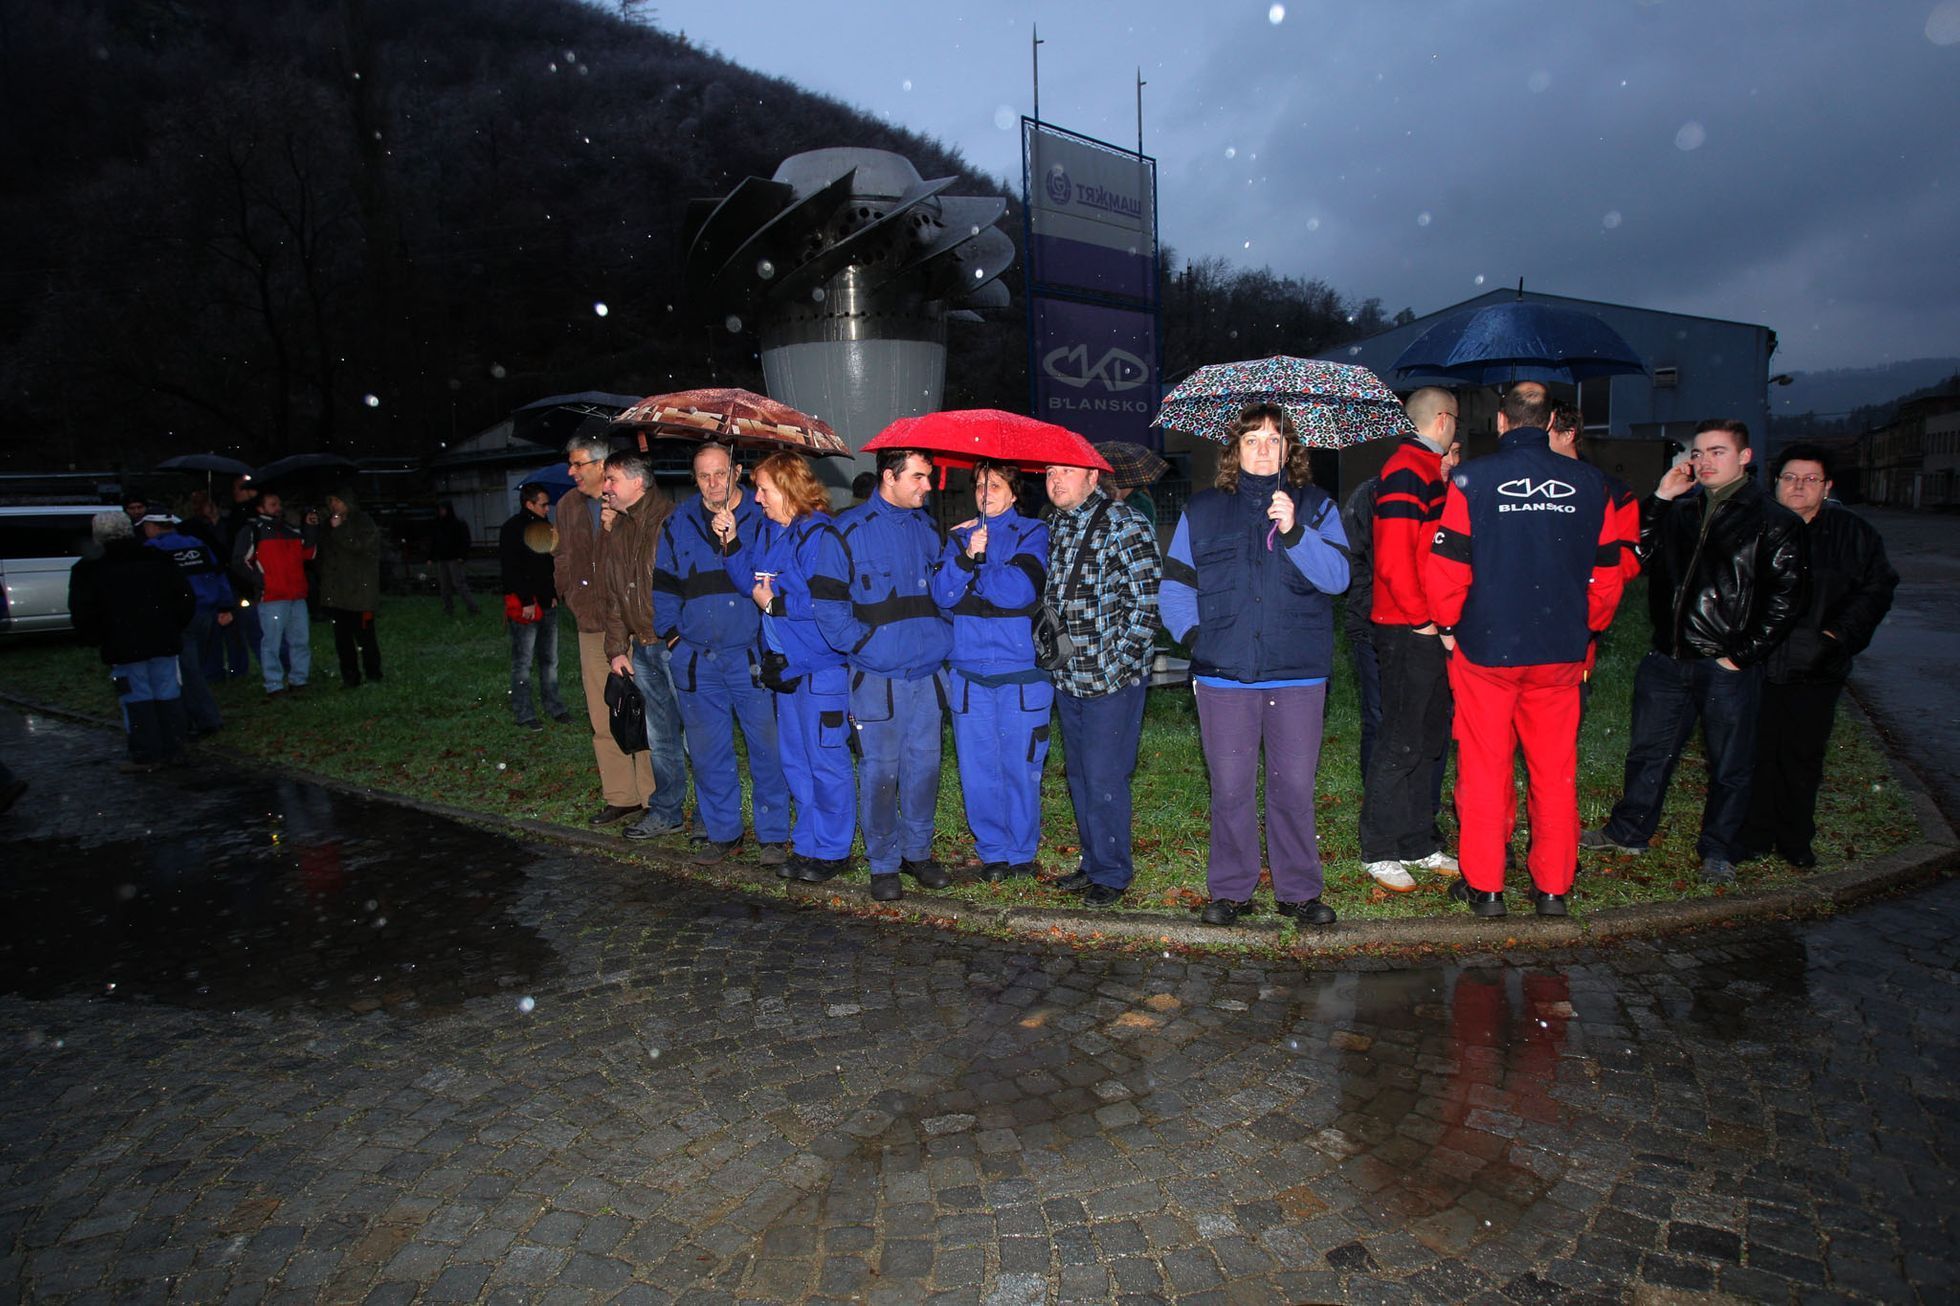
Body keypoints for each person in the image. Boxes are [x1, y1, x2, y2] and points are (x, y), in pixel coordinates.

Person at [1425, 384, 1632, 917]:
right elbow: (1609, 574)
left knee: (1484, 769)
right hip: (1560, 652)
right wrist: (1587, 628)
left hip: (1487, 650)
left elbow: (1448, 567)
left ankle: (1487, 888)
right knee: (1555, 772)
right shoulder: (1592, 484)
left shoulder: (1472, 479)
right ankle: (1553, 889)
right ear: (1551, 423)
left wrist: (1448, 625)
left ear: (1501, 421)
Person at [1583, 419, 1809, 883]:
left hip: (1725, 662)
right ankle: (1630, 831)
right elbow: (1638, 555)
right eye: (1699, 452)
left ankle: (1719, 848)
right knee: (1649, 752)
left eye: (1717, 452)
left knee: (1730, 763)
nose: (1704, 461)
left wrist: (1739, 656)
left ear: (1744, 457)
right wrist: (1661, 498)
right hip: (1668, 657)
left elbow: (1786, 599)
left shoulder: (1773, 520)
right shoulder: (1682, 512)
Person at [1161, 403, 1347, 927]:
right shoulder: (1203, 510)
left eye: (1273, 439)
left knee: (1294, 789)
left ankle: (1298, 892)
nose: (1263, 450)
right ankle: (1231, 891)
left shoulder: (1317, 507)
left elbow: (1338, 579)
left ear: (1290, 450)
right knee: (1230, 789)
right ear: (1234, 450)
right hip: (1224, 676)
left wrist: (1295, 532)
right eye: (1251, 440)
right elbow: (1175, 588)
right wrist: (1200, 640)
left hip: (1298, 673)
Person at [1734, 443, 1897, 867]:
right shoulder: (1754, 526)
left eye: (1810, 479)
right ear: (1775, 482)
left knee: (1802, 756)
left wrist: (1836, 635)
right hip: (1757, 663)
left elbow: (1877, 589)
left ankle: (1795, 840)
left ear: (1827, 486)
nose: (1798, 486)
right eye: (1790, 478)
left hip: (1817, 667)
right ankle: (1753, 835)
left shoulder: (1853, 534)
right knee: (1755, 753)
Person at [714, 453, 860, 882]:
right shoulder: (771, 530)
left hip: (820, 669)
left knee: (826, 762)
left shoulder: (819, 535)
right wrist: (731, 541)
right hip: (787, 669)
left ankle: (833, 851)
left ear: (788, 487)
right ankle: (810, 844)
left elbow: (828, 603)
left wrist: (776, 605)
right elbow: (750, 583)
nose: (757, 498)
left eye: (763, 489)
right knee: (797, 763)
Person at [652, 443, 790, 866]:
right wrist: (672, 638)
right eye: (703, 475)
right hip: (697, 658)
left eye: (720, 473)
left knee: (767, 750)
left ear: (737, 472)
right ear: (694, 480)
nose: (713, 483)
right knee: (708, 753)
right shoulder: (678, 521)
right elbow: (663, 585)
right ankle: (722, 832)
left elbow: (776, 579)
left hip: (750, 658)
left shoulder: (764, 517)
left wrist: (733, 539)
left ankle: (773, 835)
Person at [828, 449, 955, 902]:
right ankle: (883, 862)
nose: (928, 486)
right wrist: (866, 646)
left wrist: (941, 637)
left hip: (927, 677)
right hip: (876, 682)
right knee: (880, 773)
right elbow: (828, 606)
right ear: (889, 477)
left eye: (929, 476)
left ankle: (917, 853)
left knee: (925, 770)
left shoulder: (928, 529)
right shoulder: (847, 531)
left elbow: (944, 595)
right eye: (919, 477)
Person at [1357, 385, 1463, 891]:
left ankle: (1417, 841)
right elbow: (1394, 557)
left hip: (1429, 627)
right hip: (1407, 628)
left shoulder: (1426, 470)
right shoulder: (1405, 469)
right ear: (1442, 419)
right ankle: (1379, 849)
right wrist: (1423, 621)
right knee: (1400, 740)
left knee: (1428, 740)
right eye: (1456, 420)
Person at [1042, 460, 1161, 908]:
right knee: (1079, 775)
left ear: (1093, 477)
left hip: (1111, 679)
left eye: (1066, 471)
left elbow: (1147, 602)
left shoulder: (1125, 522)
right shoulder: (1055, 524)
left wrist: (1117, 664)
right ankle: (1092, 863)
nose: (1055, 480)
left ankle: (1112, 872)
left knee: (1105, 775)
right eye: (1049, 473)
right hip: (1067, 675)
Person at [929, 459, 1051, 883]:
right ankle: (993, 852)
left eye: (995, 485)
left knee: (1020, 768)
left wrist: (975, 568)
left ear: (1014, 493)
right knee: (978, 770)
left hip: (1021, 675)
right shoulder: (958, 536)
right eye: (980, 485)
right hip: (969, 674)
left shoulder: (1033, 532)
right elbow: (942, 595)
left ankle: (1021, 853)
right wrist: (965, 556)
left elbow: (1019, 591)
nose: (985, 493)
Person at [553, 436, 655, 825]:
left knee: (640, 711)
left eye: (578, 464)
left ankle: (653, 797)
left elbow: (637, 560)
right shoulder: (567, 506)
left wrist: (613, 530)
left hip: (630, 625)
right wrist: (569, 595)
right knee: (603, 713)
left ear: (601, 464)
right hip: (591, 624)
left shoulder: (628, 502)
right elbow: (562, 557)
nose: (571, 472)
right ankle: (621, 796)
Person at [600, 450, 688, 841]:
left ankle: (713, 818)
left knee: (696, 734)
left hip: (674, 645)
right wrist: (617, 648)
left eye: (612, 479)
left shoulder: (673, 520)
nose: (605, 488)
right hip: (644, 648)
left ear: (637, 482)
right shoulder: (620, 528)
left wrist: (682, 636)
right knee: (661, 737)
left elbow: (689, 583)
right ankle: (667, 812)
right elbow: (616, 594)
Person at [69, 511, 194, 770]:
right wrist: (174, 625)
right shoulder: (157, 558)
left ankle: (147, 752)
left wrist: (95, 636)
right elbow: (184, 597)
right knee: (167, 691)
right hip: (162, 638)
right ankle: (175, 748)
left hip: (123, 643)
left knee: (135, 696)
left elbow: (83, 610)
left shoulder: (89, 568)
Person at [141, 512, 233, 737]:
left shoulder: (153, 549)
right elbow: (217, 573)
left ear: (153, 527)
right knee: (193, 668)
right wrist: (225, 605)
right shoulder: (196, 544)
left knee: (187, 671)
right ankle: (196, 717)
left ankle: (205, 720)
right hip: (206, 612)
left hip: (179, 616)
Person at [230, 489, 317, 696]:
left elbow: (309, 553)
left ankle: (299, 681)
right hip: (272, 597)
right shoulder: (253, 530)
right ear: (260, 508)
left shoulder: (290, 530)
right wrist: (263, 581)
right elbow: (239, 561)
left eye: (278, 504)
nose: (278, 508)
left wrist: (311, 528)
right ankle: (274, 685)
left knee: (300, 641)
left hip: (296, 595)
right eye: (273, 504)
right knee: (272, 643)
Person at [500, 482, 570, 732]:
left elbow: (548, 565)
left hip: (546, 603)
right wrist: (526, 600)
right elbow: (511, 568)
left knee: (550, 660)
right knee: (524, 662)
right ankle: (524, 712)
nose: (547, 508)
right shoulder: (513, 529)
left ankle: (554, 706)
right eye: (543, 504)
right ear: (529, 504)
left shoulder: (545, 527)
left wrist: (552, 594)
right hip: (526, 605)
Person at [316, 489, 384, 689]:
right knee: (342, 640)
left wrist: (339, 530)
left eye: (337, 500)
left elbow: (360, 547)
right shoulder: (327, 525)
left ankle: (373, 675)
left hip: (360, 592)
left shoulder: (363, 521)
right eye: (331, 501)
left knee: (365, 637)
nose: (334, 505)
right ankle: (350, 677)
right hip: (338, 594)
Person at [429, 502, 479, 616]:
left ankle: (473, 607)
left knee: (459, 584)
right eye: (440, 509)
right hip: (443, 558)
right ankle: (448, 608)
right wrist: (430, 556)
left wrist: (462, 556)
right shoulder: (439, 524)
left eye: (443, 509)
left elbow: (465, 540)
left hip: (454, 558)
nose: (441, 512)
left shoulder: (458, 523)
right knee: (444, 586)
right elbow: (435, 541)